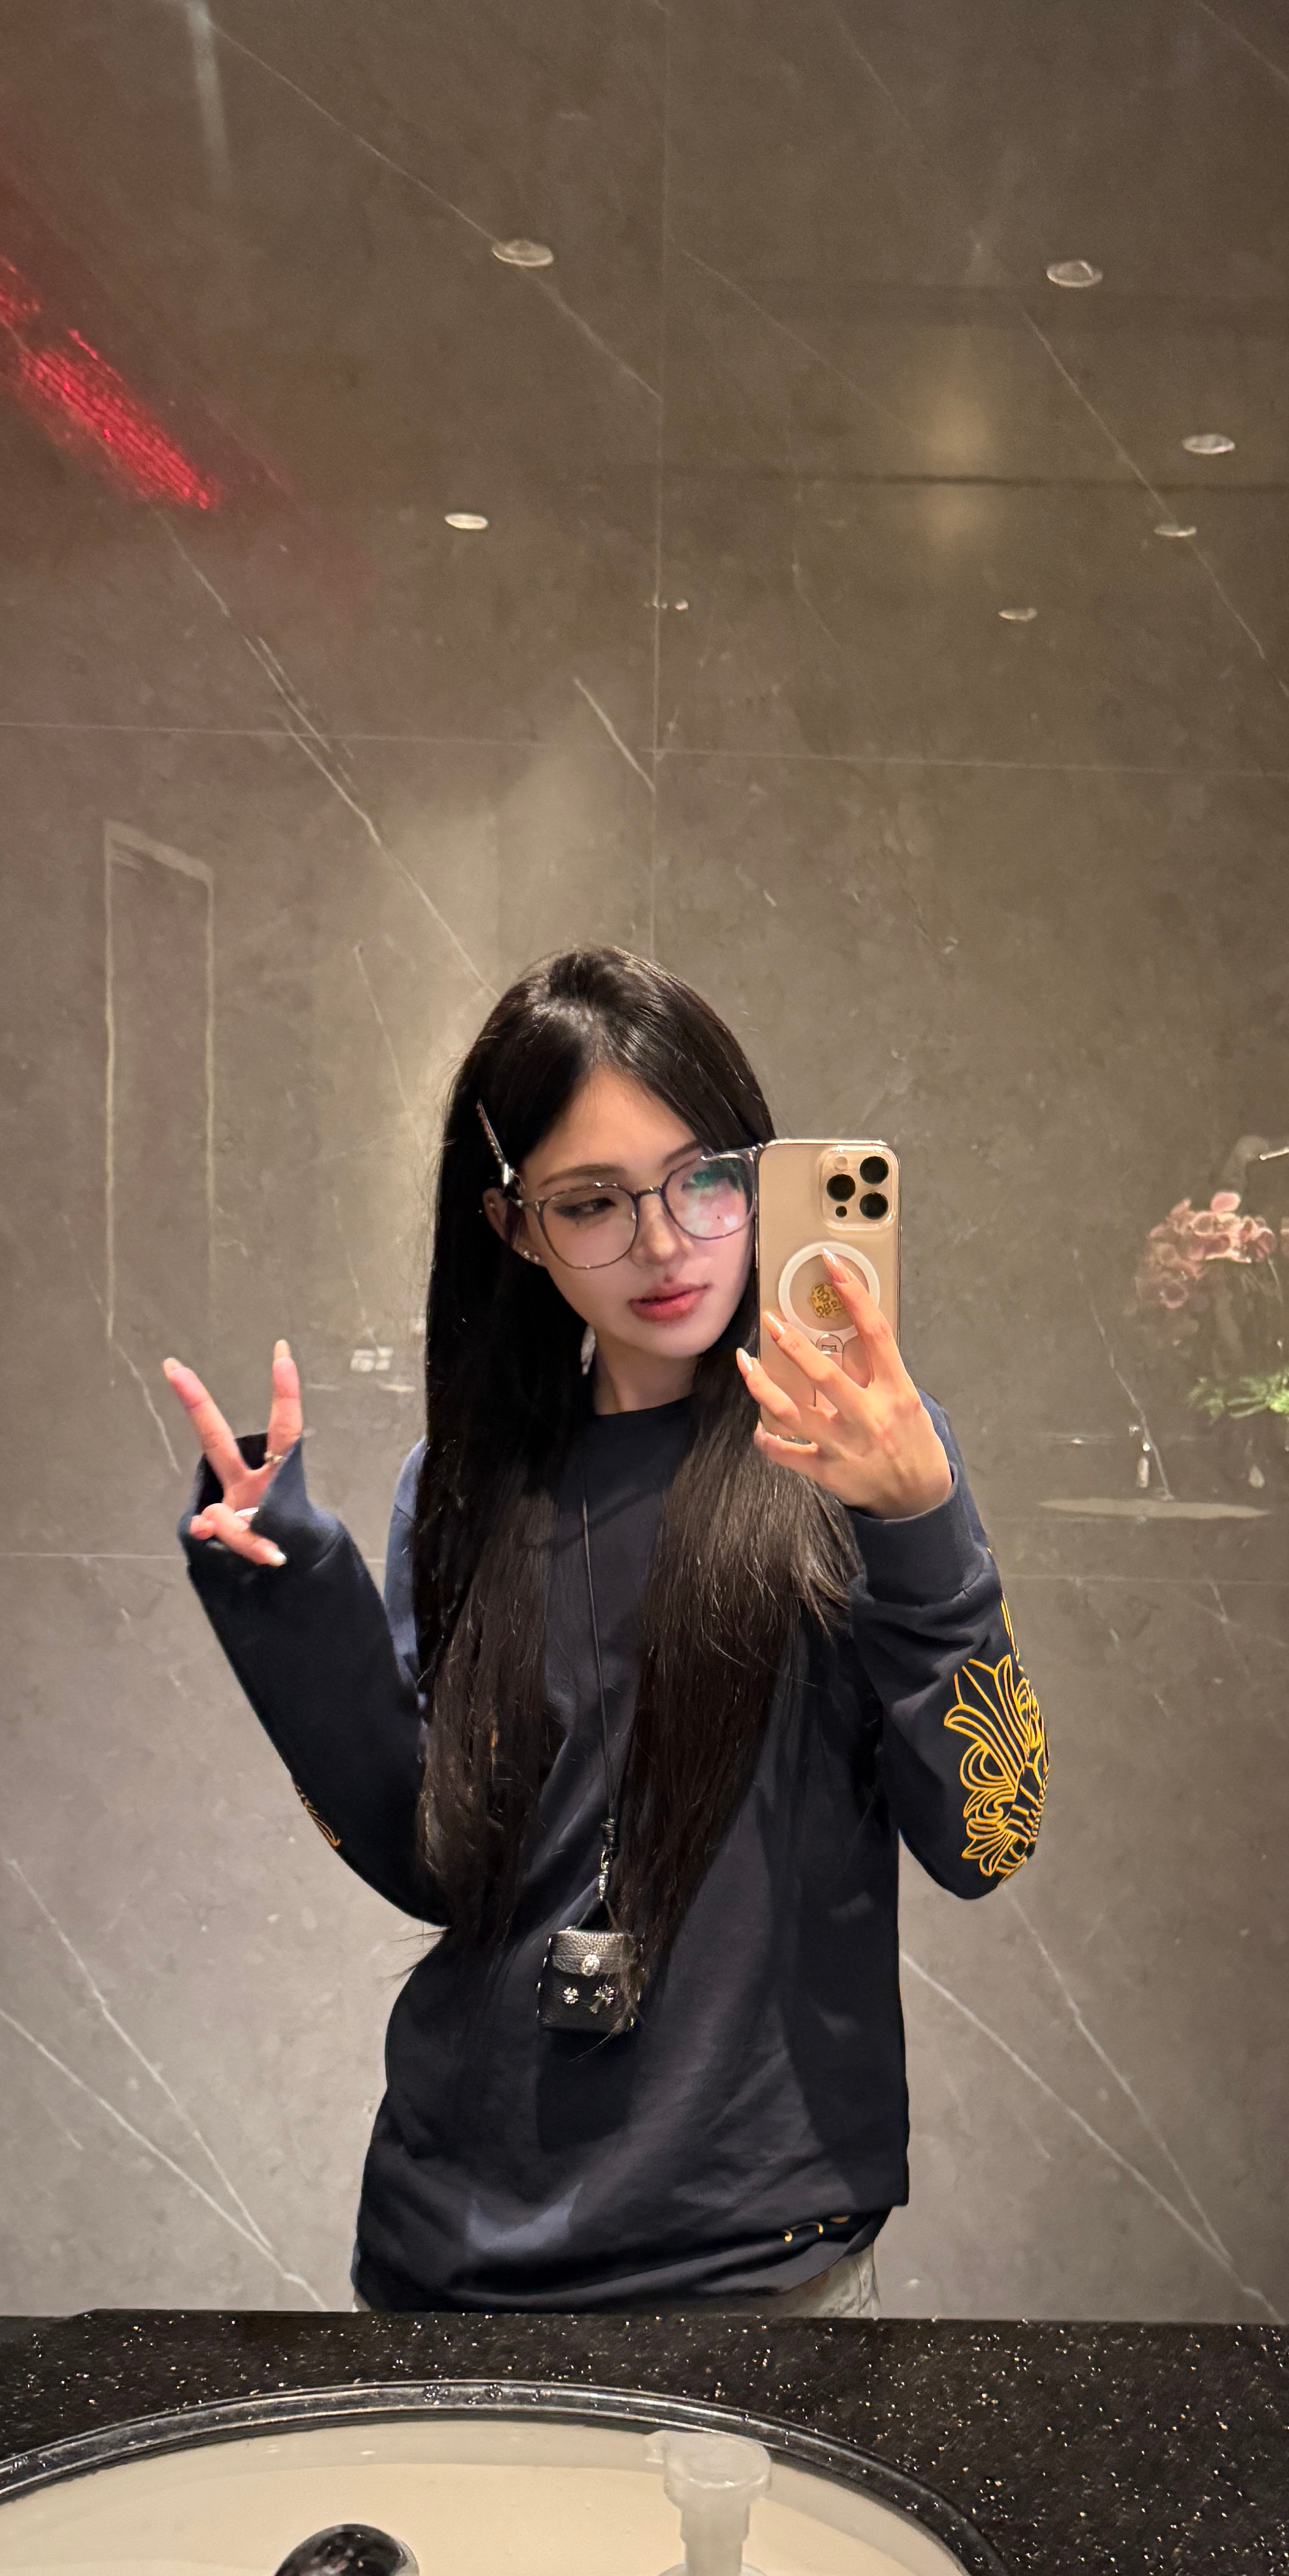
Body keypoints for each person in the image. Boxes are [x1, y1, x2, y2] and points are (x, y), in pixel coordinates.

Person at [164, 949, 1046, 2312]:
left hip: (757, 2266)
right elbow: (433, 1864)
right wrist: (294, 1597)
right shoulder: (464, 1489)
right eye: (592, 1204)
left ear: (763, 1179)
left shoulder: (864, 1467)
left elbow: (990, 1838)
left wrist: (922, 1523)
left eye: (705, 1181)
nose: (666, 1243)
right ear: (514, 1228)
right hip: (456, 2254)